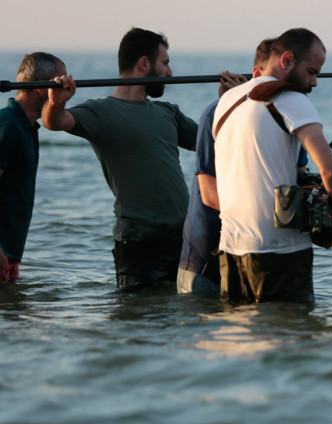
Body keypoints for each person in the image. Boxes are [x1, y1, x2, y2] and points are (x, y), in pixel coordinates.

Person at [42, 28, 199, 289]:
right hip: (138, 245)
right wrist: (57, 102)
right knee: (137, 323)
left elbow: (217, 142)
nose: (170, 73)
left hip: (183, 239)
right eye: (165, 63)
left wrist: (232, 99)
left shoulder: (168, 113)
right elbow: (54, 121)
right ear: (144, 63)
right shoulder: (102, 112)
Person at [214, 28, 332, 303]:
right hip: (278, 252)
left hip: (230, 248)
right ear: (287, 60)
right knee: (292, 340)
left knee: (238, 340)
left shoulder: (227, 101)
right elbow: (330, 172)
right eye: (312, 71)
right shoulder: (291, 99)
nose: (314, 82)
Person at [177, 38, 308, 297]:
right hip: (205, 255)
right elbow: (210, 195)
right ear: (257, 75)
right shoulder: (214, 113)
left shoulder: (292, 115)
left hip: (262, 255)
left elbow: (299, 182)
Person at [0, 52, 67, 283]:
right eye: (60, 81)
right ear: (41, 88)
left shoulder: (25, 126)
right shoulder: (8, 125)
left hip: (9, 254)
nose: (65, 86)